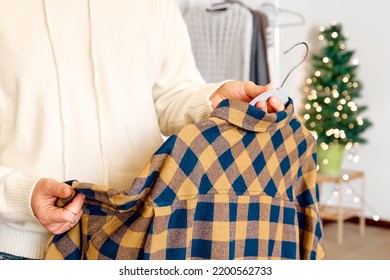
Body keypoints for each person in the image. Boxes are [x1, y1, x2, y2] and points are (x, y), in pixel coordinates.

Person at [0, 0, 284, 260]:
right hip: (23, 252)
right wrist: (19, 195)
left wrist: (212, 100)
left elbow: (169, 96)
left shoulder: (154, 5)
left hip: (144, 245)